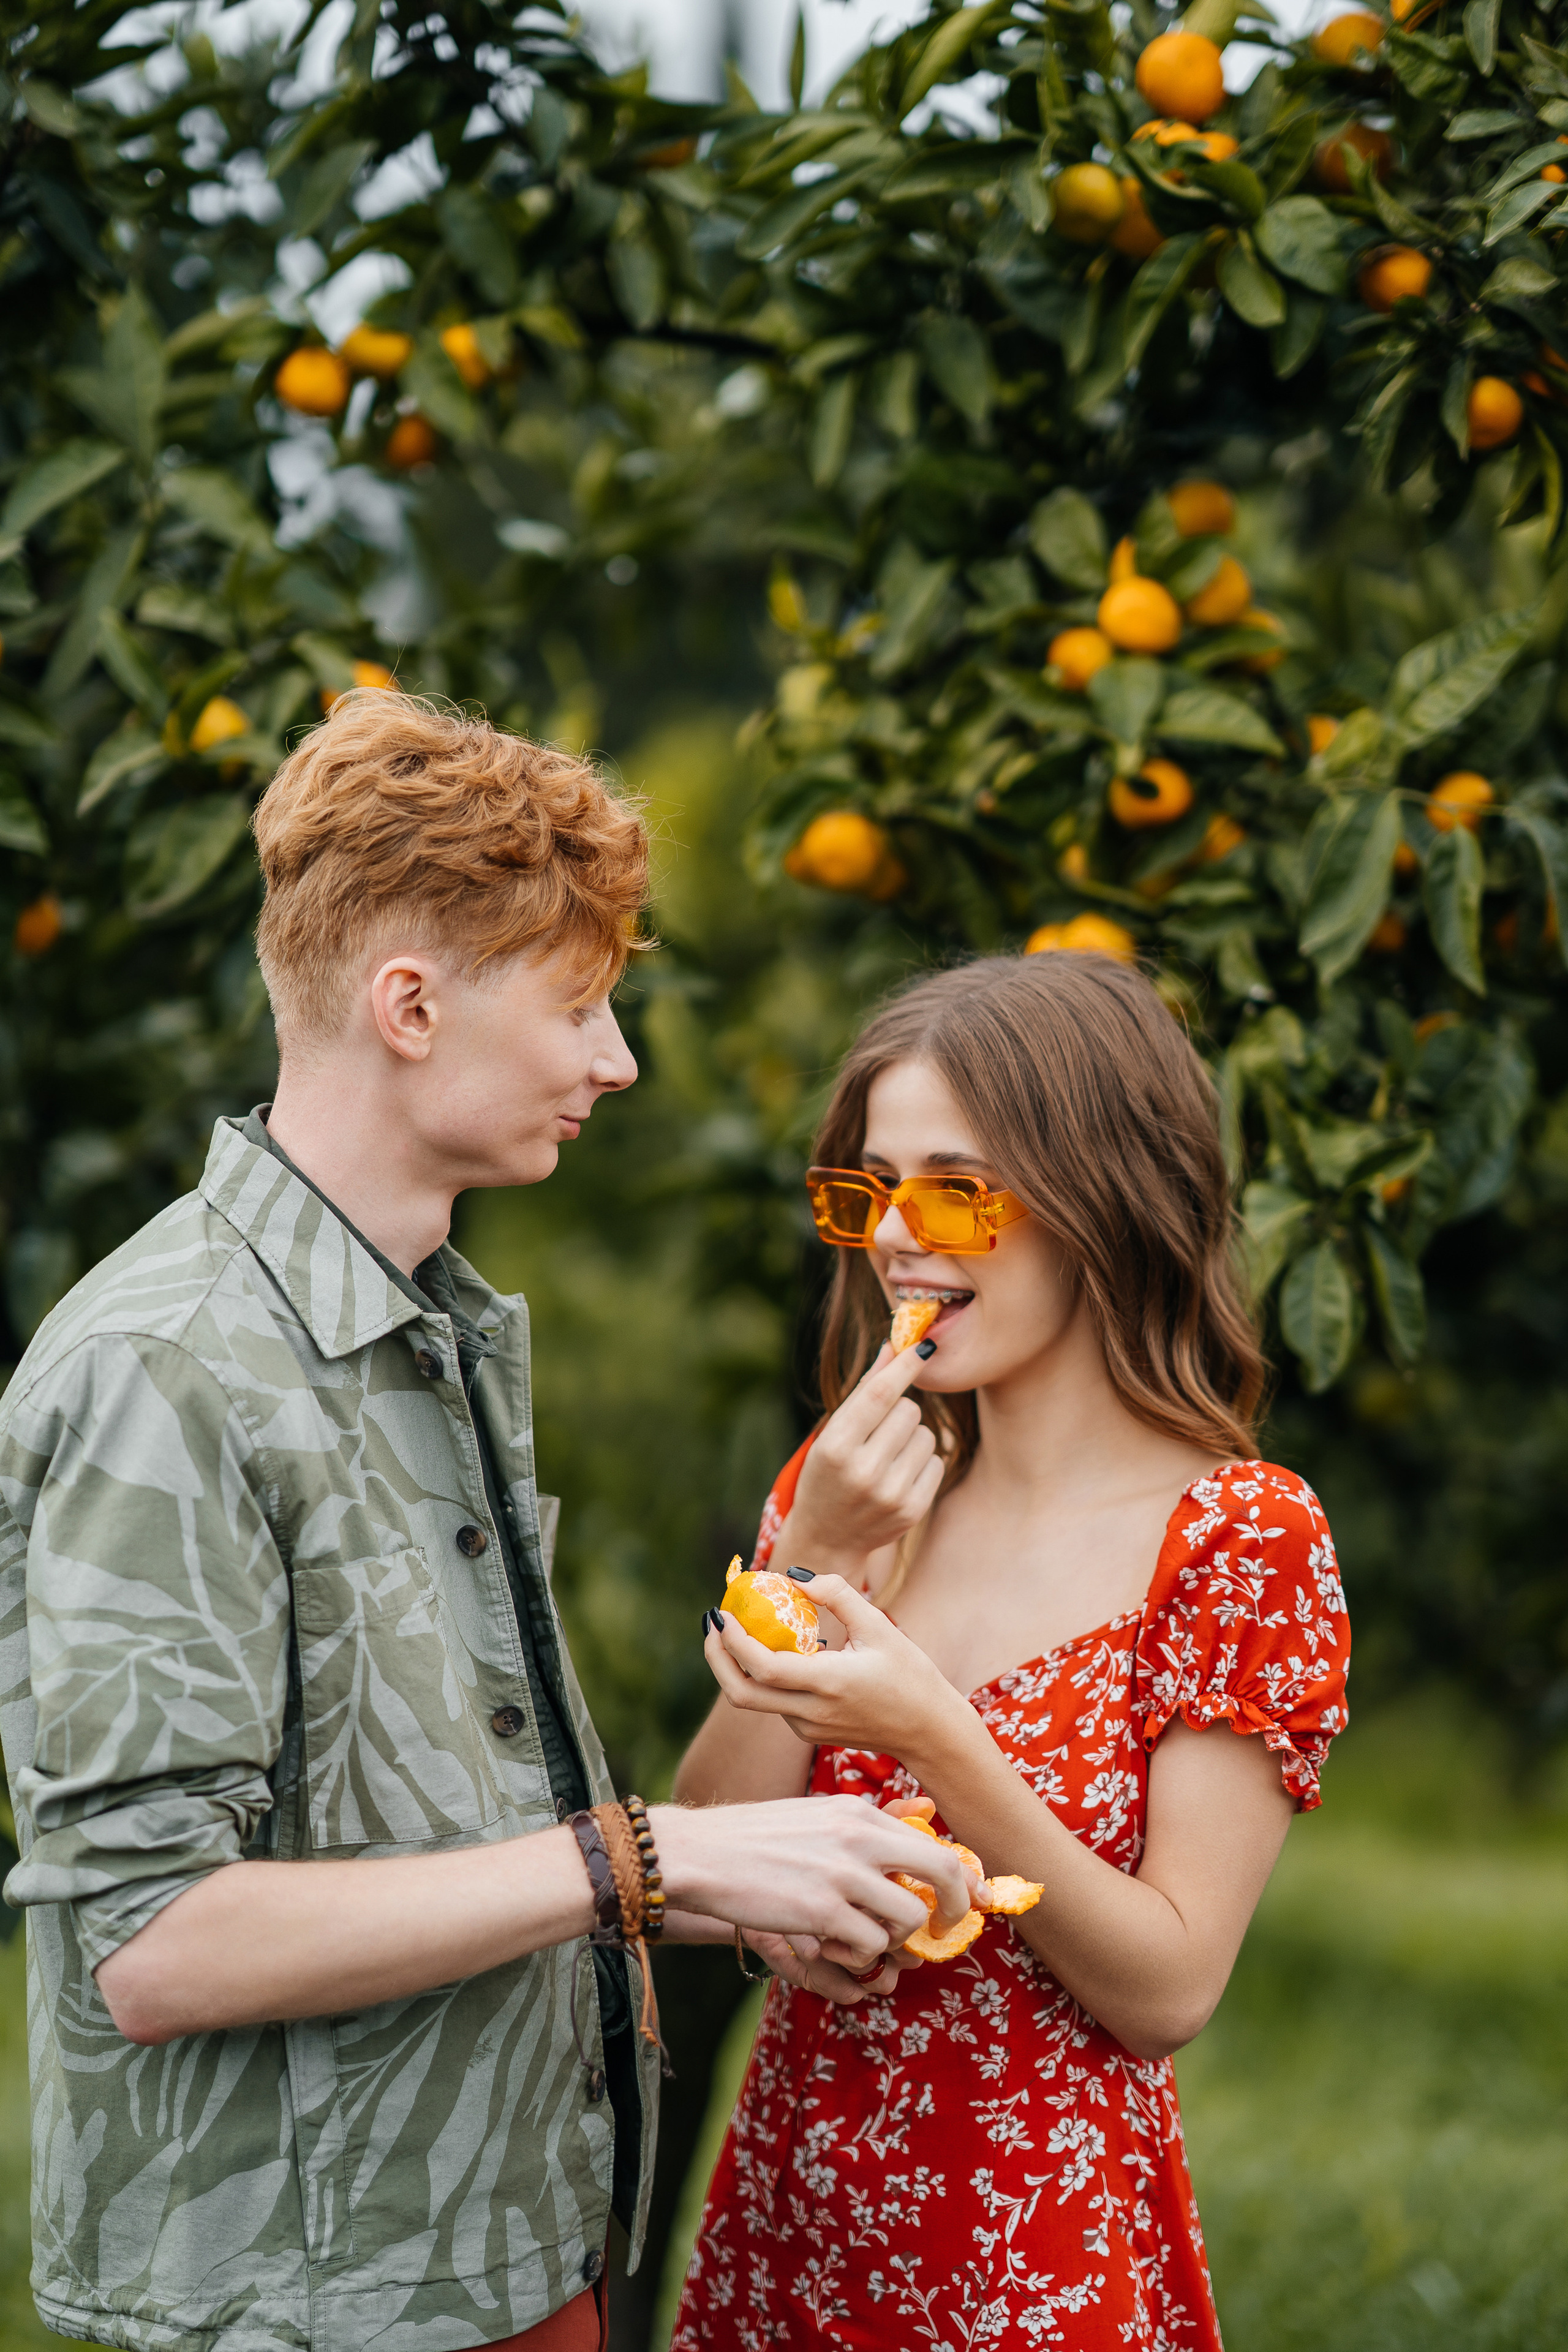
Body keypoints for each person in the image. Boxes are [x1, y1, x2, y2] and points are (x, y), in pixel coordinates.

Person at [0, 693, 976, 2352]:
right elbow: (158, 1946)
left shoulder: (428, 1328)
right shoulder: (164, 1368)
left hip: (513, 2257)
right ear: (408, 1007)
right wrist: (651, 1857)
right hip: (315, 2305)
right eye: (580, 1005)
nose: (619, 1059)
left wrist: (735, 1887)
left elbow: (435, 1838)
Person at [671, 951, 1351, 2352]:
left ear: (1105, 1198)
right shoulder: (854, 1487)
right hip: (796, 2224)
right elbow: (709, 1845)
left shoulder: (1235, 1539)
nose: (896, 1238)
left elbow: (1166, 1989)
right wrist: (810, 1557)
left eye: (955, 1189)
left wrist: (934, 1739)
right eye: (871, 1188)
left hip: (1030, 2258)